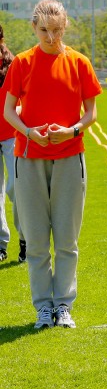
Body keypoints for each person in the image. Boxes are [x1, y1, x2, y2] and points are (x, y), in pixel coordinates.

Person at [2, 0, 101, 329]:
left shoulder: (79, 63)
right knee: (38, 242)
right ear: (34, 27)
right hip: (28, 159)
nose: (50, 37)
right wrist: (29, 132)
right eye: (44, 30)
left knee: (67, 241)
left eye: (57, 30)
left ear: (65, 27)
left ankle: (63, 306)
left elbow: (91, 114)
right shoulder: (22, 63)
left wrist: (71, 130)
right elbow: (8, 112)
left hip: (70, 159)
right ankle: (43, 308)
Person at [0, 24, 24, 263]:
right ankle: (1, 244)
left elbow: (25, 98)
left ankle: (25, 239)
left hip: (11, 135)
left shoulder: (14, 64)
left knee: (15, 189)